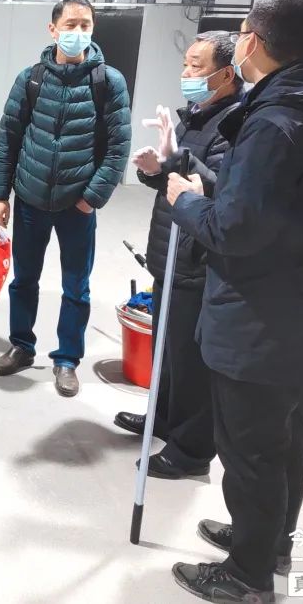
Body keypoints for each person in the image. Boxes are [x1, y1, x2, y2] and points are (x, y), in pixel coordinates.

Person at [165, 0, 303, 604]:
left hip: (261, 320)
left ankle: (246, 577)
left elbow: (236, 231)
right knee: (286, 440)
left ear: (252, 41)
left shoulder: (276, 121)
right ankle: (270, 541)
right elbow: (278, 207)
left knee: (250, 451)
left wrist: (185, 201)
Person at [112, 32, 242, 479]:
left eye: (196, 66)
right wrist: (157, 168)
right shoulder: (197, 114)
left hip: (196, 258)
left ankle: (190, 450)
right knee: (167, 351)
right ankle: (163, 419)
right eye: (185, 64)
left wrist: (179, 157)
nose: (186, 74)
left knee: (190, 361)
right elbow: (177, 179)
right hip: (170, 251)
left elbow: (220, 189)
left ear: (225, 74)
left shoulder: (235, 122)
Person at [0, 0, 132, 397]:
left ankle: (67, 359)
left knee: (76, 287)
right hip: (31, 198)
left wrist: (92, 197)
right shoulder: (31, 78)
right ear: (53, 29)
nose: (78, 32)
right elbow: (9, 137)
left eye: (85, 25)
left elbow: (119, 147)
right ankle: (21, 346)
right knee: (24, 280)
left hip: (77, 205)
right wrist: (0, 194)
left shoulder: (108, 81)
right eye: (70, 25)